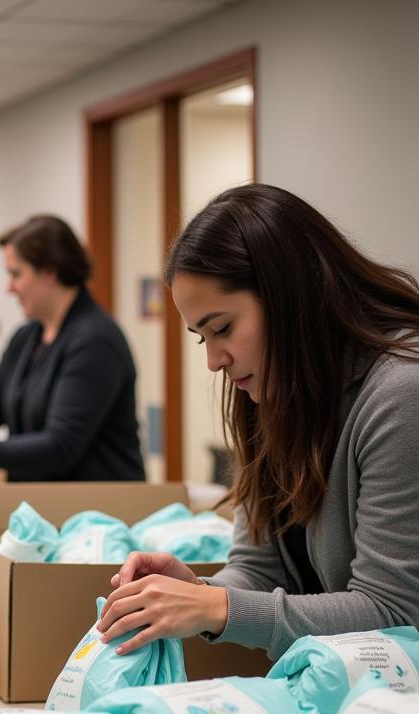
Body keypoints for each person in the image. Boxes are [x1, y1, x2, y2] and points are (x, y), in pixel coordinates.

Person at [97, 183, 419, 662]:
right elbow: (259, 567)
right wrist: (197, 590)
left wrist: (216, 606)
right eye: (200, 338)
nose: (213, 361)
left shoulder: (401, 393)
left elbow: (393, 614)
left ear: (293, 297)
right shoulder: (271, 391)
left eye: (222, 328)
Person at [0, 214, 145, 482]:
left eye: (16, 275)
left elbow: (60, 447)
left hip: (97, 511)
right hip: (41, 503)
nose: (9, 288)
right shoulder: (27, 337)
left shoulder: (96, 341)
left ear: (49, 272)